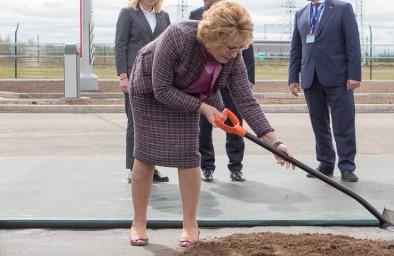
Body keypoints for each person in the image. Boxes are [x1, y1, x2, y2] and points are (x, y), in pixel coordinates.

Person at [126, 1, 292, 247]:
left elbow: (246, 100)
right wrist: (202, 107)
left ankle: (190, 224)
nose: (233, 54)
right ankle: (138, 223)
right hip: (150, 91)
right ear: (212, 37)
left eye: (238, 48)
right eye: (229, 47)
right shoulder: (178, 36)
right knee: (146, 154)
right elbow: (161, 89)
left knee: (189, 155)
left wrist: (274, 141)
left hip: (191, 93)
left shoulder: (233, 56)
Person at [288, 0, 361, 182]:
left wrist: (354, 74)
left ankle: (346, 166)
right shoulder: (301, 13)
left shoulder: (342, 9)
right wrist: (293, 77)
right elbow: (296, 48)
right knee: (319, 123)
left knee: (343, 124)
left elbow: (353, 43)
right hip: (310, 77)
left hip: (338, 77)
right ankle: (325, 163)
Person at [190, 0, 256, 182]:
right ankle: (207, 166)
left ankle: (236, 166)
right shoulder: (195, 15)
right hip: (206, 85)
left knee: (235, 125)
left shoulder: (236, 14)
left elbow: (246, 49)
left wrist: (249, 78)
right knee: (203, 127)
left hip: (230, 83)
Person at [115, 0, 170, 183]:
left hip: (159, 76)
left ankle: (151, 169)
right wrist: (123, 75)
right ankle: (134, 168)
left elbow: (170, 46)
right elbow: (120, 45)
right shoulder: (128, 14)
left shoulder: (163, 17)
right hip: (134, 74)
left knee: (155, 124)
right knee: (135, 122)